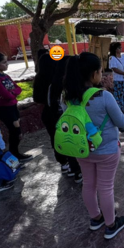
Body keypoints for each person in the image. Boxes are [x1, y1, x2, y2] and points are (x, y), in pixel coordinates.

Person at [62, 52, 124, 240]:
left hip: (82, 150)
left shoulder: (67, 97)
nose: (102, 74)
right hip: (106, 150)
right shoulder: (104, 97)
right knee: (105, 187)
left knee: (89, 184)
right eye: (100, 71)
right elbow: (121, 122)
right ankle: (111, 225)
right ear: (93, 74)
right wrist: (110, 92)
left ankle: (95, 218)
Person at [33, 54, 82, 183]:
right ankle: (76, 170)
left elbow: (39, 99)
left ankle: (66, 165)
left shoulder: (43, 80)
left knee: (59, 141)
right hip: (62, 117)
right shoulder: (64, 82)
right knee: (71, 141)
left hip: (51, 115)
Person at [0, 52, 32, 163]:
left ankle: (15, 154)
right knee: (15, 131)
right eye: (4, 62)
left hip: (12, 106)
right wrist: (12, 94)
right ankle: (14, 155)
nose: (7, 64)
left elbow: (18, 88)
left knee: (17, 132)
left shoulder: (5, 76)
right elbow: (7, 95)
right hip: (3, 108)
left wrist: (11, 93)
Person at [108, 42, 124, 114]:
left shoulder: (123, 57)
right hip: (118, 80)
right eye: (119, 48)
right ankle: (120, 109)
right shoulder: (112, 58)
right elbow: (114, 69)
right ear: (115, 49)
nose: (121, 49)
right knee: (119, 95)